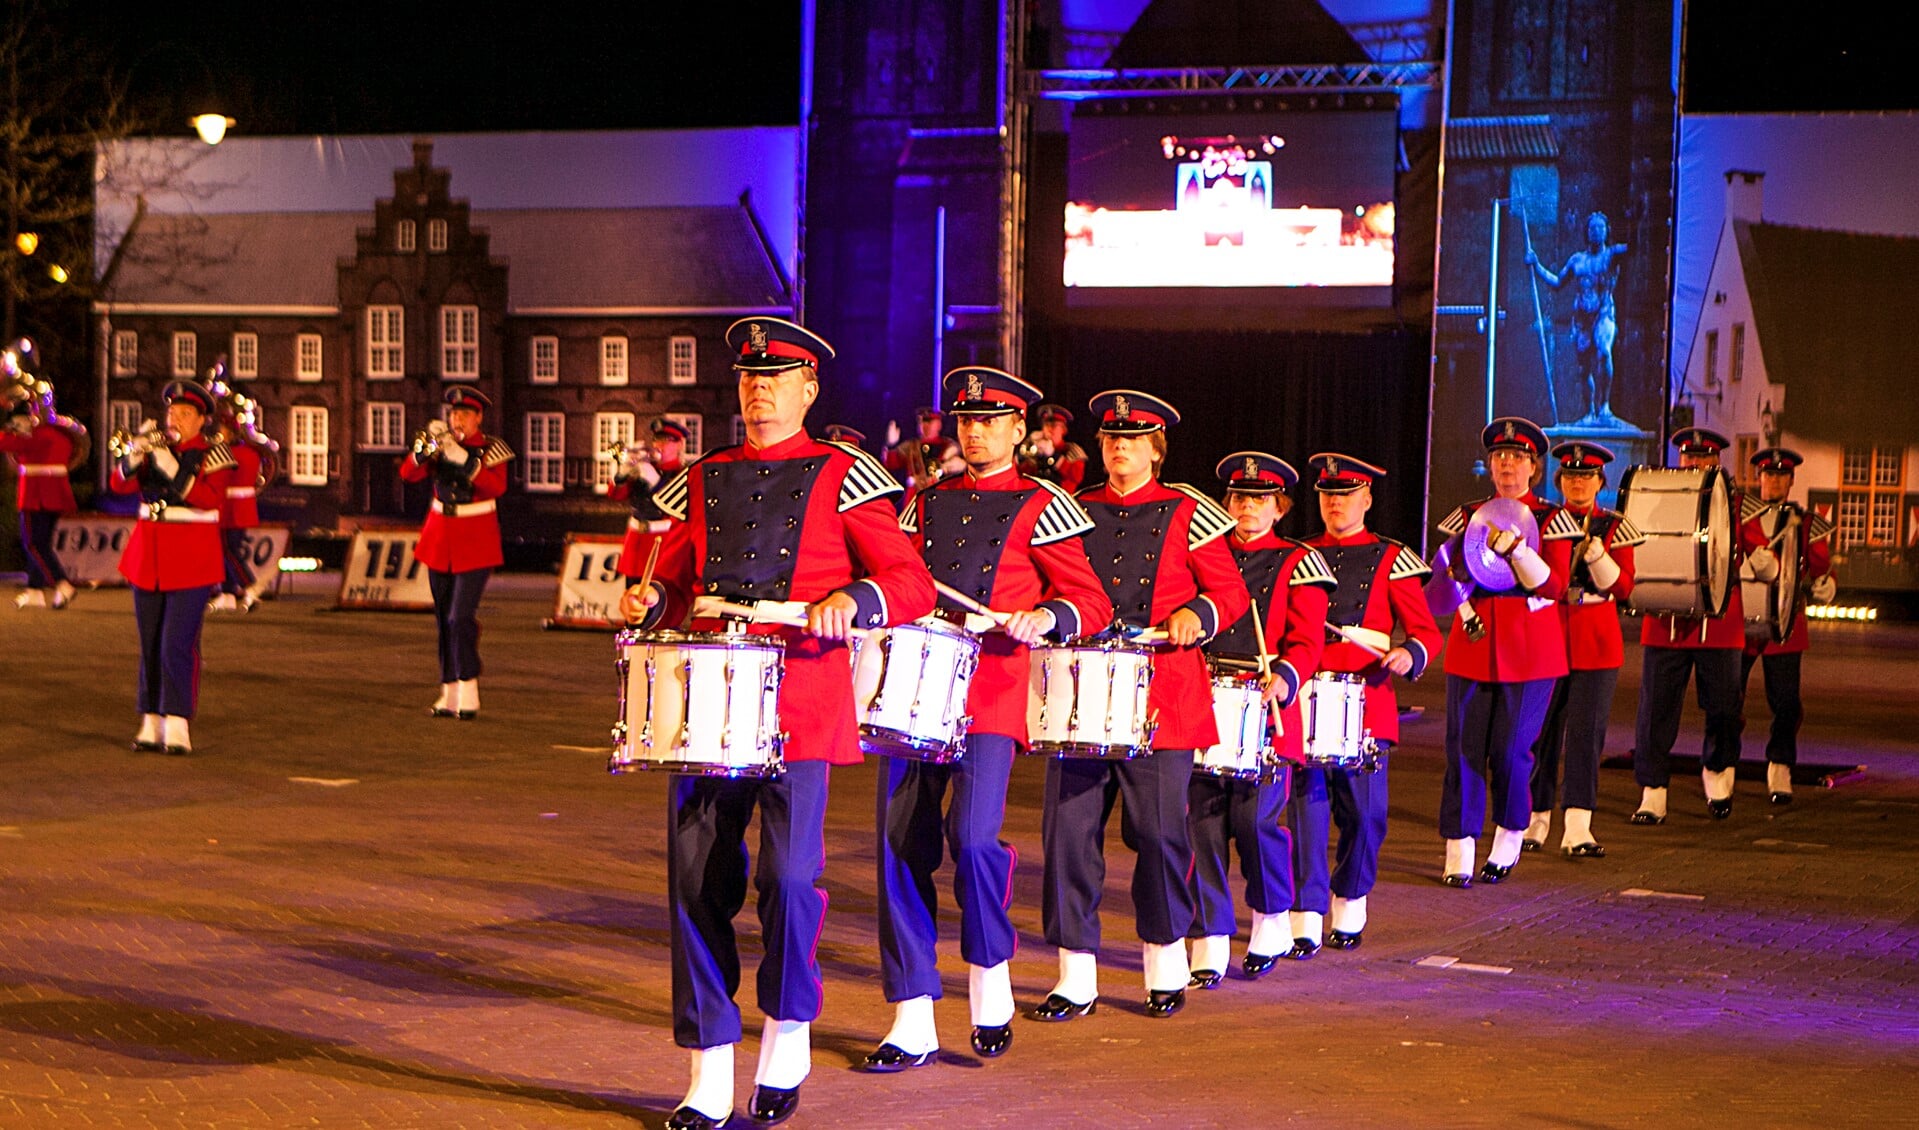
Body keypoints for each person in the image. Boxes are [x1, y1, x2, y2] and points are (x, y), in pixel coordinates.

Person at [620, 317, 935, 1130]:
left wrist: (852, 601)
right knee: (695, 880)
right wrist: (651, 598)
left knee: (789, 881)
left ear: (808, 388)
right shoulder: (705, 474)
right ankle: (707, 1067)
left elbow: (909, 583)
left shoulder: (848, 474)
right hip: (707, 692)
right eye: (749, 377)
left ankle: (788, 1032)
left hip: (802, 690)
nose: (759, 388)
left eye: (776, 376)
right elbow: (673, 575)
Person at [865, 366, 1109, 1072]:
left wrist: (1046, 615)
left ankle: (988, 980)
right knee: (898, 845)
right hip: (913, 687)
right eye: (965, 420)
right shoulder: (926, 501)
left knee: (972, 842)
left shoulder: (1044, 503)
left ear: (1015, 430)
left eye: (988, 421)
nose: (973, 431)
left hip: (991, 692)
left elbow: (1088, 601)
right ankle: (910, 1015)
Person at [1032, 389, 1249, 1022]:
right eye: (1110, 437)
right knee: (1068, 834)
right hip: (1079, 689)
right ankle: (1075, 974)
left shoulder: (1191, 511)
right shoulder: (1070, 509)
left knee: (1157, 833)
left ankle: (1164, 958)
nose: (1119, 446)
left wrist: (1195, 613)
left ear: (1156, 447)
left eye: (1132, 438)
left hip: (1164, 688)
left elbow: (1230, 593)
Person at [1184, 452, 1332, 987]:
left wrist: (1285, 678)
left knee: (1254, 822)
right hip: (1204, 695)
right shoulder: (1205, 553)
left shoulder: (1300, 560)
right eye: (1240, 498)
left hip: (1263, 704)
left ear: (1280, 508)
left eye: (1261, 499)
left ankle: (1270, 918)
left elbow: (1308, 640)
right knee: (1201, 822)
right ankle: (1211, 936)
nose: (1248, 508)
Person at [1288, 454, 1441, 955]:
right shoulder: (1298, 553)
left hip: (1366, 698)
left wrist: (1408, 652)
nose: (1335, 503)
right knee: (1306, 811)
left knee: (1367, 815)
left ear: (1367, 499)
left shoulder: (1392, 557)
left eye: (1346, 494)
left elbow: (1424, 632)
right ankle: (1307, 912)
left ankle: (1350, 898)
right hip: (1306, 696)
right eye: (1328, 494)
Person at [1428, 418, 1574, 887]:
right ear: (1489, 466)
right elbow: (1441, 586)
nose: (1507, 465)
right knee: (1463, 750)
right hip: (1474, 646)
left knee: (1512, 752)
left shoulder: (1552, 519)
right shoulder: (1468, 514)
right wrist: (1452, 582)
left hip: (1531, 652)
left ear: (1534, 467)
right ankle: (1460, 844)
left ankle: (1511, 831)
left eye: (1517, 458)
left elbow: (1556, 586)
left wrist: (1518, 554)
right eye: (1499, 457)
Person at [1631, 427, 1756, 822]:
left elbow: (1756, 546)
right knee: (1656, 709)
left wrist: (1753, 559)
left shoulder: (1736, 503)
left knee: (1723, 706)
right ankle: (1653, 788)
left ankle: (1717, 767)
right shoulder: (1661, 498)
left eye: (1703, 458)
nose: (1695, 464)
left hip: (1719, 623)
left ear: (1716, 462)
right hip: (1667, 620)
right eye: (1689, 457)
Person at [1526, 442, 1642, 857]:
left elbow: (1625, 588)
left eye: (1586, 476)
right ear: (1559, 480)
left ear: (1599, 482)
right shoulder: (1539, 522)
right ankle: (1535, 820)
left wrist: (1599, 560)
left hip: (1595, 638)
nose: (1578, 483)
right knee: (1539, 733)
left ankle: (1578, 825)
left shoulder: (1614, 526)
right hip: (1550, 632)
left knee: (1586, 735)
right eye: (1571, 476)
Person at [109, 379, 234, 755]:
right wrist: (134, 456)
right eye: (171, 412)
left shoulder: (215, 454)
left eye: (184, 413)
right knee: (149, 642)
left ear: (201, 420)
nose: (174, 419)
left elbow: (208, 498)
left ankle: (177, 721)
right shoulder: (153, 449)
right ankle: (150, 717)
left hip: (192, 558)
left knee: (176, 644)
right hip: (148, 554)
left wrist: (168, 462)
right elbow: (118, 486)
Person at [398, 386, 513, 721]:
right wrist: (424, 450)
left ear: (478, 417)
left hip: (475, 537)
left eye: (464, 414)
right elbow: (408, 474)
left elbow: (496, 487)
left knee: (460, 617)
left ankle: (469, 687)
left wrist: (464, 459)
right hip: (440, 535)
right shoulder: (442, 443)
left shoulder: (492, 448)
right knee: (442, 618)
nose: (457, 419)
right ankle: (448, 691)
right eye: (453, 414)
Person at [1738, 447, 1835, 806]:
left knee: (1787, 704)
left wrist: (1827, 583)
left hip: (1785, 622)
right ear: (1759, 478)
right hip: (1743, 622)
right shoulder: (1740, 518)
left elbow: (1821, 566)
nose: (1774, 480)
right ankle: (1723, 764)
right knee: (1727, 700)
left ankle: (1779, 765)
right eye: (1768, 474)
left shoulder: (1806, 523)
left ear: (1791, 481)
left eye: (1781, 475)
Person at [1525, 210, 1630, 424]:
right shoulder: (1577, 260)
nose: (1596, 232)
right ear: (1586, 232)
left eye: (1600, 228)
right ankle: (1590, 411)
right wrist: (1536, 266)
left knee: (1603, 352)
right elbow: (1556, 283)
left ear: (1606, 231)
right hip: (1582, 317)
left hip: (1603, 313)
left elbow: (1630, 248)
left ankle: (1605, 406)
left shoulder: (1611, 255)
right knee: (1583, 369)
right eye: (1592, 228)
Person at [1, 370, 84, 610]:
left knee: (34, 544)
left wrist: (7, 419)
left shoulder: (37, 433)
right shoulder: (62, 434)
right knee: (42, 543)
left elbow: (7, 442)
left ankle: (62, 584)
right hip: (56, 494)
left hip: (35, 495)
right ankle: (35, 590)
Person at [208, 383, 279, 612]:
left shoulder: (230, 452)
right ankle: (228, 594)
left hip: (230, 508)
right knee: (227, 550)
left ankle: (249, 586)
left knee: (228, 551)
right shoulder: (251, 452)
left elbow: (217, 477)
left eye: (222, 430)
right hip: (243, 507)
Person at [604, 418, 688, 585]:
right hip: (636, 541)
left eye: (666, 440)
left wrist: (656, 483)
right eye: (657, 439)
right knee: (632, 600)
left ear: (679, 445)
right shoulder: (644, 466)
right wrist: (622, 472)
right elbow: (616, 495)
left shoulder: (684, 473)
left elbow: (677, 504)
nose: (659, 445)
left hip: (663, 543)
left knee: (661, 602)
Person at [884, 407, 962, 490]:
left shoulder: (950, 446)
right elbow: (891, 464)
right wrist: (891, 445)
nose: (923, 425)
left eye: (928, 421)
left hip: (942, 494)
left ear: (939, 424)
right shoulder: (911, 446)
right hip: (916, 496)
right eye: (920, 421)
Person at [1018, 403, 1088, 493]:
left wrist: (1053, 455)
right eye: (1046, 425)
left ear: (1064, 430)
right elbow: (1019, 473)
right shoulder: (1035, 448)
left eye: (1054, 425)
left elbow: (1076, 477)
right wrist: (1027, 446)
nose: (1049, 429)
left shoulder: (1073, 451)